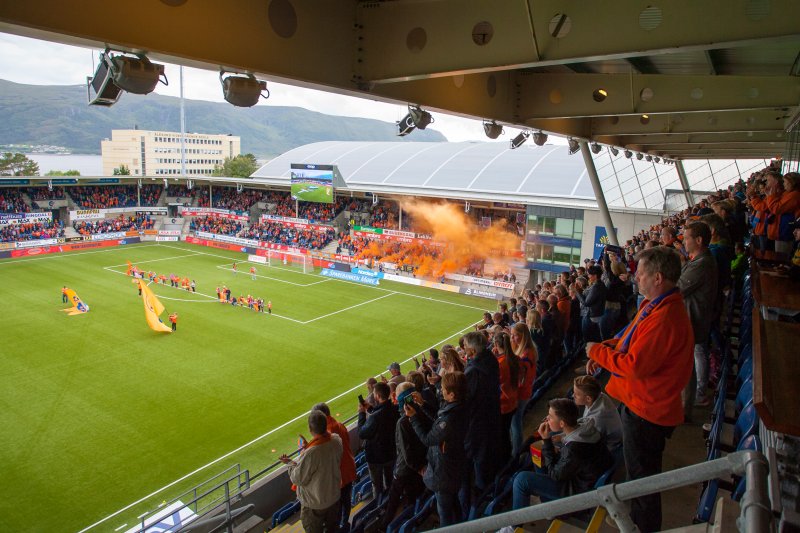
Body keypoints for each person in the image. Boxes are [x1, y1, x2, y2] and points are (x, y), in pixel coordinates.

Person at [586, 246, 694, 532]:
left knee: (642, 481)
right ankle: (636, 519)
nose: (635, 278)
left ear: (658, 277)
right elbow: (627, 340)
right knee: (638, 474)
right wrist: (605, 349)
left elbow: (634, 365)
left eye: (641, 273)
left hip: (647, 411)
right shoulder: (655, 305)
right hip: (641, 404)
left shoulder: (665, 317)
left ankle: (644, 527)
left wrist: (595, 351)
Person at [511, 398, 613, 510]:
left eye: (550, 416)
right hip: (584, 478)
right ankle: (545, 499)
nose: (547, 419)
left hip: (576, 491)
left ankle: (513, 525)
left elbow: (555, 474)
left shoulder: (574, 449)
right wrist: (561, 438)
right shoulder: (587, 427)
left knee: (521, 479)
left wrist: (546, 441)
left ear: (562, 423)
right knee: (539, 453)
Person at [406, 371, 468, 526]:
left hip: (444, 473)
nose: (441, 390)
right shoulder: (459, 407)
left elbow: (429, 439)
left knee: (445, 512)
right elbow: (440, 419)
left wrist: (413, 418)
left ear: (452, 394)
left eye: (443, 388)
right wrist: (423, 404)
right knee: (454, 504)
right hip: (454, 466)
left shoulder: (450, 419)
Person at [678, 221, 718, 412]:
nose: (684, 242)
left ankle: (685, 406)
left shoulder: (702, 264)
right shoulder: (698, 261)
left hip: (693, 319)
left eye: (687, 238)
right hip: (692, 318)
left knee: (686, 366)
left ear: (699, 240)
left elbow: (679, 288)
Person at [280, 411, 342, 533]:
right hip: (334, 498)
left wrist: (290, 463)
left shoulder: (312, 454)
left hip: (315, 505)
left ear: (310, 428)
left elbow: (297, 479)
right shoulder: (336, 439)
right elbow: (323, 459)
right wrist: (309, 447)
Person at [461, 331, 501, 513]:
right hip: (491, 414)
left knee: (478, 458)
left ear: (473, 349)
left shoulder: (473, 371)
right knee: (487, 453)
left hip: (477, 422)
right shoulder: (491, 359)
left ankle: (479, 500)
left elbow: (466, 401)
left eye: (466, 347)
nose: (464, 349)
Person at [380, 383, 427, 531]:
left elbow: (406, 453)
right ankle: (413, 521)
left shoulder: (402, 422)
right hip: (419, 466)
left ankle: (383, 527)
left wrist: (418, 467)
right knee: (413, 497)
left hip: (405, 470)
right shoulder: (421, 411)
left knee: (393, 500)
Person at [312, 403, 357, 532]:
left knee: (337, 505)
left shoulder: (327, 434)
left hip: (339, 475)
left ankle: (339, 527)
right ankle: (345, 524)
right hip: (348, 469)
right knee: (346, 499)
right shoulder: (340, 425)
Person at [357, 381, 398, 502]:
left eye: (374, 393)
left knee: (377, 485)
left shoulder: (375, 417)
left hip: (376, 457)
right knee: (389, 480)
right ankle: (391, 501)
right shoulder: (395, 408)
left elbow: (362, 433)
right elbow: (382, 413)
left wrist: (361, 414)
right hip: (391, 453)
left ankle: (379, 508)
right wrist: (370, 408)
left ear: (378, 396)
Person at [573, 375, 622, 451]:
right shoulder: (600, 395)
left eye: (577, 394)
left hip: (611, 447)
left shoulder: (597, 418)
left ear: (588, 398)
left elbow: (593, 441)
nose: (573, 395)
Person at [510, 322, 537, 455]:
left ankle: (516, 454)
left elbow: (520, 380)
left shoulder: (525, 355)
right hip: (524, 392)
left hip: (520, 395)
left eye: (515, 335)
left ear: (523, 336)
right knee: (515, 423)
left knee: (516, 425)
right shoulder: (527, 350)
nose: (512, 338)